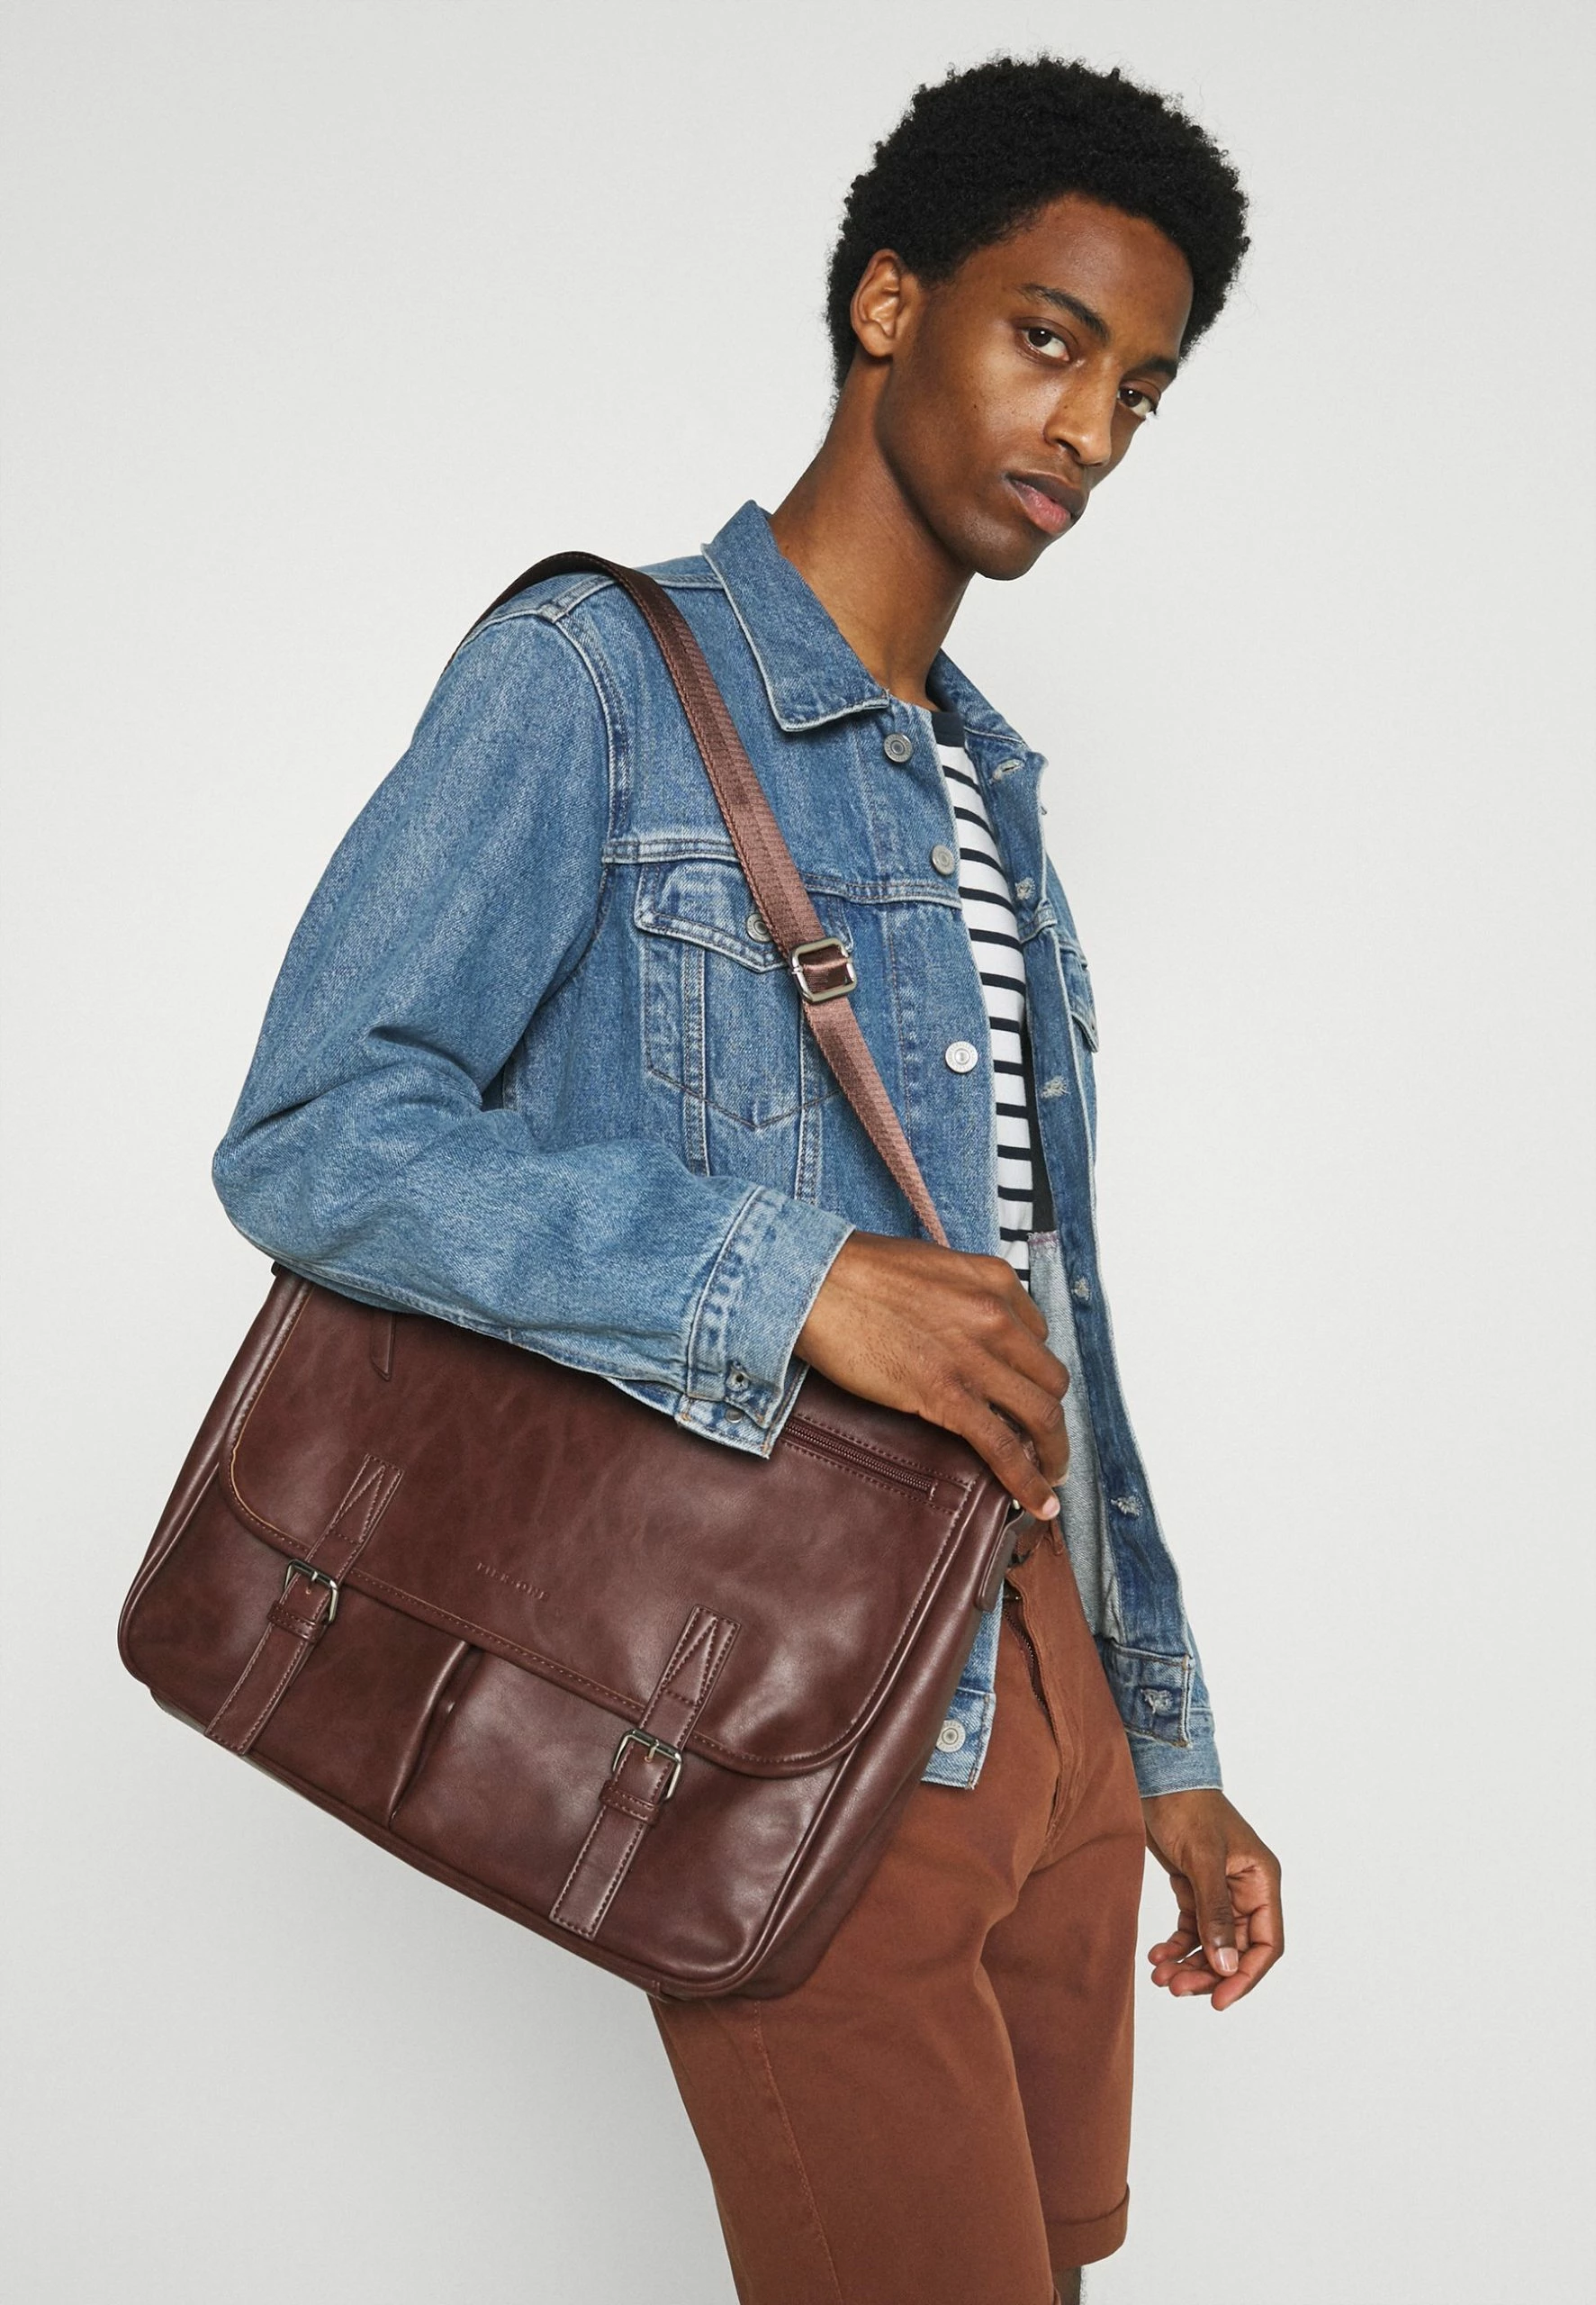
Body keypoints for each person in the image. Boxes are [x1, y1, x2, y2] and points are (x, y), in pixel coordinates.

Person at [212, 52, 1283, 2305]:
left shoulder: (990, 795)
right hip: (815, 1727)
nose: (1089, 428)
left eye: (1140, 390)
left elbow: (1048, 1299)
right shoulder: (592, 679)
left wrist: (1161, 1738)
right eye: (1049, 337)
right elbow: (317, 1133)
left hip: (1050, 1707)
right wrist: (789, 1276)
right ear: (891, 302)